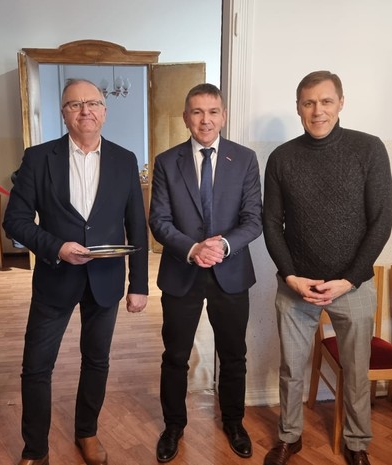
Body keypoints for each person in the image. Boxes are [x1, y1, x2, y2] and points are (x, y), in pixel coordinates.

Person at [3, 78, 148, 465]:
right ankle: (35, 450)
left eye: (93, 103)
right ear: (63, 113)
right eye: (74, 104)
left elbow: (136, 225)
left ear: (105, 111)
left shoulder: (125, 160)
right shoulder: (38, 158)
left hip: (106, 281)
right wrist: (56, 247)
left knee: (97, 360)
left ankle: (87, 432)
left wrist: (139, 284)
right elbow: (15, 221)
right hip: (55, 278)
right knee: (36, 366)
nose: (85, 111)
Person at [262, 71, 392, 465]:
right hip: (296, 286)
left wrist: (349, 279)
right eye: (308, 103)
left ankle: (357, 442)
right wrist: (290, 276)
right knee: (291, 368)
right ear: (298, 107)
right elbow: (272, 222)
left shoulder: (369, 149)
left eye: (325, 101)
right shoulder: (281, 157)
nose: (317, 110)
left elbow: (381, 221)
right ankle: (289, 437)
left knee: (355, 370)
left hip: (352, 286)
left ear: (341, 102)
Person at [148, 83, 263, 462]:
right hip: (182, 272)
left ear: (223, 116)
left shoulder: (244, 159)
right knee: (175, 356)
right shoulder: (167, 162)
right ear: (186, 117)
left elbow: (253, 219)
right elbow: (159, 220)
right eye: (197, 112)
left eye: (213, 111)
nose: (205, 120)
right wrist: (194, 249)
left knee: (233, 355)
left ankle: (233, 422)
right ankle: (173, 426)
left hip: (231, 273)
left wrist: (222, 246)